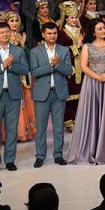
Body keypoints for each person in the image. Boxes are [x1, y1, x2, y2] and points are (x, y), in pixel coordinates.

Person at [67, 18, 105, 164]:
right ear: (93, 32)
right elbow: (83, 66)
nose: (103, 30)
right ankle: (91, 149)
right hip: (92, 83)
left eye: (104, 28)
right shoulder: (87, 47)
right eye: (99, 29)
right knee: (92, 114)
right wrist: (98, 77)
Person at [0, 20, 29, 173]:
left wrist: (11, 65)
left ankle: (10, 160)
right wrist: (2, 66)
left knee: (11, 130)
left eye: (7, 32)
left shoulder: (17, 51)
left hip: (13, 95)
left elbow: (25, 69)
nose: (5, 34)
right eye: (1, 32)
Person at [30, 21, 72, 167]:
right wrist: (51, 65)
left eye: (54, 33)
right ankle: (40, 156)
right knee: (41, 127)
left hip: (59, 92)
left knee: (59, 126)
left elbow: (69, 71)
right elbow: (34, 72)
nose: (52, 36)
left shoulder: (64, 50)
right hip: (42, 93)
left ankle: (58, 155)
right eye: (49, 33)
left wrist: (58, 64)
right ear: (43, 35)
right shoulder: (35, 51)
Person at [0, 9, 38, 142]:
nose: (15, 23)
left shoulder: (19, 35)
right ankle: (12, 133)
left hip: (22, 73)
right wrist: (16, 44)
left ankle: (23, 131)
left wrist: (23, 45)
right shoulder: (3, 37)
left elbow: (27, 55)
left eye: (16, 20)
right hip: (10, 74)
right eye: (12, 21)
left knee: (25, 101)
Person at [56, 1, 83, 131]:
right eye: (71, 17)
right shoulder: (61, 33)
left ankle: (79, 119)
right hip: (69, 66)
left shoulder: (80, 31)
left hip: (82, 66)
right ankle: (68, 121)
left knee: (80, 94)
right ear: (66, 18)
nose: (74, 20)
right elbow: (61, 51)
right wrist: (77, 46)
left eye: (75, 17)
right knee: (69, 94)